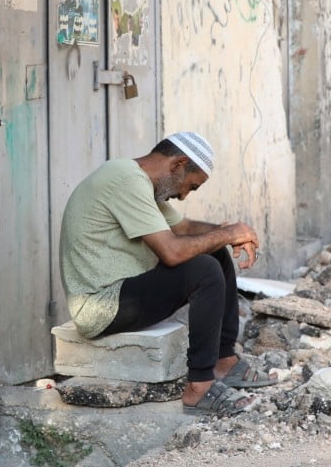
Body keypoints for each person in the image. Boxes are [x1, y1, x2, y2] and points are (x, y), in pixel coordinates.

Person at [59, 131, 276, 417]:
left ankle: (224, 361)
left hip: (125, 290)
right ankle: (199, 388)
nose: (184, 195)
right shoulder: (125, 180)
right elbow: (172, 252)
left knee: (216, 252)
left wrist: (233, 234)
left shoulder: (138, 180)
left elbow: (184, 228)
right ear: (178, 164)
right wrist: (226, 233)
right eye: (191, 186)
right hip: (100, 306)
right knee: (204, 269)